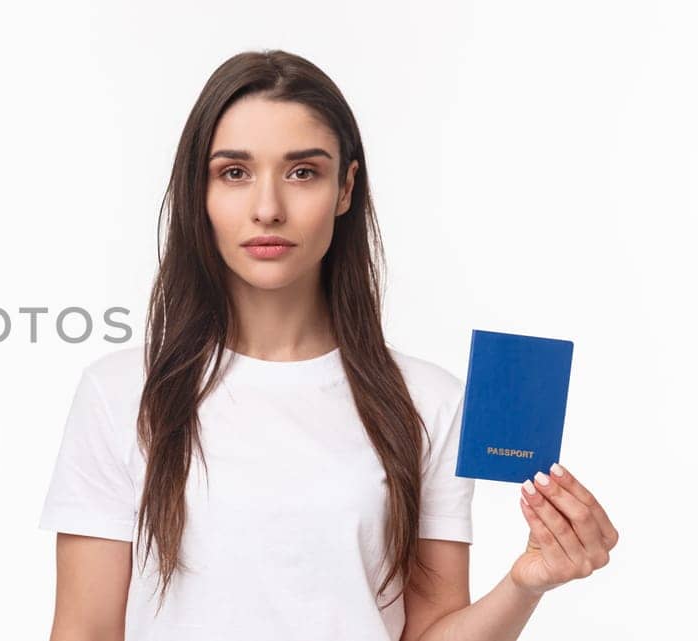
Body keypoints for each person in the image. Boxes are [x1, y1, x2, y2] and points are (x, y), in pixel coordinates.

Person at [37, 49, 619, 641]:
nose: (267, 209)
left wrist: (526, 584)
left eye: (302, 172)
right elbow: (83, 629)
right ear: (199, 192)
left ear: (345, 188)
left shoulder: (428, 401)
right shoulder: (121, 394)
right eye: (234, 172)